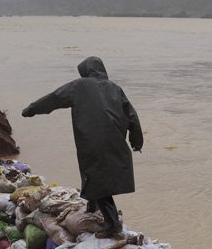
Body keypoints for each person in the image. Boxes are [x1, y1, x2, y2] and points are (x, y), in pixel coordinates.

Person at [22, 56, 143, 237]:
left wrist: (32, 109)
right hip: (115, 140)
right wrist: (136, 140)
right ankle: (92, 206)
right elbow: (132, 115)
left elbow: (55, 98)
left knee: (97, 178)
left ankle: (112, 224)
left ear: (86, 71)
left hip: (92, 141)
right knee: (96, 176)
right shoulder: (115, 89)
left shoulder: (80, 86)